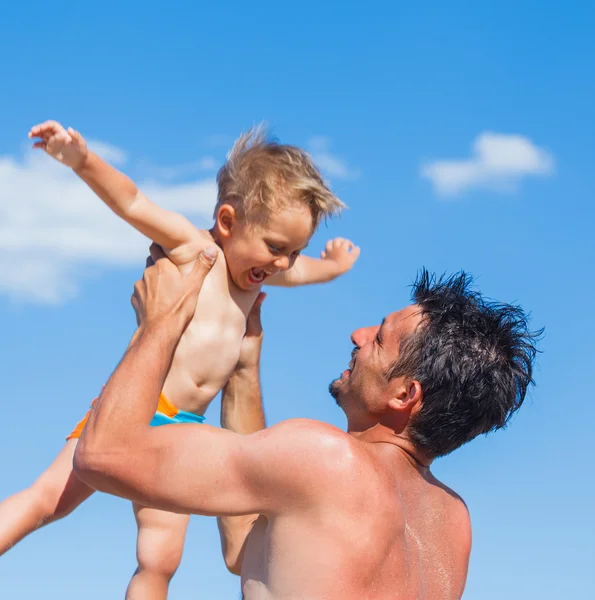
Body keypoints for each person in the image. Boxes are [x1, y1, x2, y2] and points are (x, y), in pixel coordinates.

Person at [0, 121, 359, 599]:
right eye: (275, 247)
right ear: (228, 222)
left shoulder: (257, 279)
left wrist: (332, 267)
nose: (281, 264)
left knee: (161, 557)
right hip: (130, 408)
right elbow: (132, 202)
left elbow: (303, 273)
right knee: (47, 500)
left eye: (293, 253)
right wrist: (81, 160)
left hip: (182, 429)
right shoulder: (197, 250)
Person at [74, 244, 541, 600]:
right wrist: (244, 365)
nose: (358, 336)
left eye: (379, 339)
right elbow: (249, 551)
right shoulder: (452, 522)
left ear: (404, 394)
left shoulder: (325, 459)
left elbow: (103, 455)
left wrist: (160, 319)